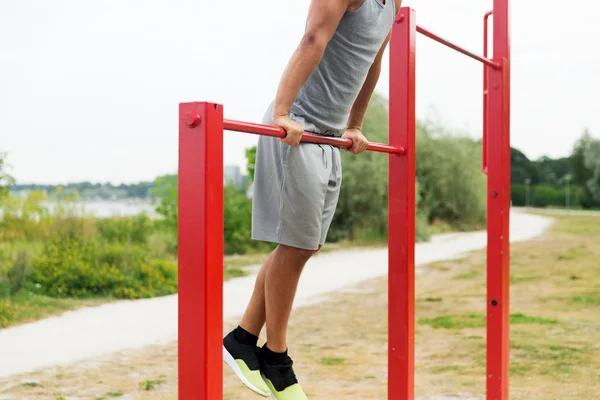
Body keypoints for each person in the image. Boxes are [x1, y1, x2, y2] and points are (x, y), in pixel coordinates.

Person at [223, 0, 402, 398]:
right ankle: (276, 356)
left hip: (329, 135)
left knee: (306, 245)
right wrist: (283, 113)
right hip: (298, 126)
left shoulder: (394, 2)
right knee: (296, 243)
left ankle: (242, 338)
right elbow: (313, 37)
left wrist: (355, 123)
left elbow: (372, 63)